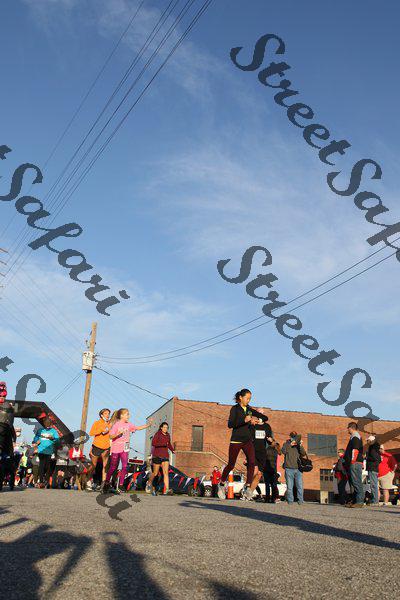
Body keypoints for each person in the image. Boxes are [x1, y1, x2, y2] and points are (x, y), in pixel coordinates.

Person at [217, 389, 265, 500]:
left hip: (247, 440)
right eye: (247, 398)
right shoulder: (235, 409)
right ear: (241, 398)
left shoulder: (249, 409)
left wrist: (257, 421)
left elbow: (263, 418)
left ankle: (248, 487)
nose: (248, 400)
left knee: (252, 462)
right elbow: (230, 424)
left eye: (250, 399)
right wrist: (244, 420)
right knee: (231, 465)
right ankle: (222, 483)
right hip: (236, 440)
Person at [103, 408, 151, 494]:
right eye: (127, 414)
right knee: (113, 467)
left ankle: (121, 485)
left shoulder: (129, 424)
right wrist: (118, 434)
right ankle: (106, 483)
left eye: (128, 414)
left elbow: (137, 428)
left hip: (125, 448)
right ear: (122, 415)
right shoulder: (117, 424)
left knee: (125, 466)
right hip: (116, 448)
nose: (129, 416)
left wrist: (148, 425)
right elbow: (110, 436)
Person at [247, 409, 272, 500]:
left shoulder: (267, 426)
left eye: (262, 413)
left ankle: (249, 492)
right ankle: (247, 487)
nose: (260, 415)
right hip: (253, 451)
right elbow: (248, 438)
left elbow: (269, 438)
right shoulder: (253, 425)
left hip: (262, 452)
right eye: (258, 413)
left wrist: (270, 440)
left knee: (259, 474)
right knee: (254, 472)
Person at [146, 422, 175, 496]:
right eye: (164, 427)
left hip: (165, 456)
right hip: (157, 456)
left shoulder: (168, 435)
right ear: (161, 428)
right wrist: (163, 444)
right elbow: (153, 443)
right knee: (155, 473)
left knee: (166, 473)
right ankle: (149, 483)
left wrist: (172, 450)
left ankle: (167, 489)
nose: (165, 429)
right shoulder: (158, 434)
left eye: (167, 427)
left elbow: (169, 444)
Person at [32, 418, 60, 488]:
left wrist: (52, 438)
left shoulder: (53, 431)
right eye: (46, 423)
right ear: (44, 424)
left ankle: (44, 477)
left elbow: (57, 440)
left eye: (48, 423)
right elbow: (36, 438)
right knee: (41, 465)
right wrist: (36, 442)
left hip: (49, 451)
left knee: (47, 466)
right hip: (41, 450)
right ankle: (41, 481)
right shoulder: (40, 430)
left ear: (50, 424)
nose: (47, 424)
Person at [88, 408, 111, 489]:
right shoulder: (97, 423)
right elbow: (91, 433)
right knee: (94, 465)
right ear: (101, 415)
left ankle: (103, 484)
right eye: (106, 413)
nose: (107, 415)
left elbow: (112, 434)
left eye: (108, 414)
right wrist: (101, 430)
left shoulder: (110, 424)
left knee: (105, 466)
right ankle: (88, 480)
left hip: (106, 447)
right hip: (97, 446)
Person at [281, 432, 306, 505]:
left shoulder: (298, 445)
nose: (293, 438)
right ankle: (290, 501)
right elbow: (283, 451)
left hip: (298, 469)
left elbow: (303, 454)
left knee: (300, 486)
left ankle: (300, 500)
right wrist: (290, 445)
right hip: (289, 468)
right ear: (290, 437)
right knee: (289, 486)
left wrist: (300, 445)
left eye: (295, 437)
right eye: (292, 437)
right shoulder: (286, 444)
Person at [343, 421, 364, 508]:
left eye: (348, 428)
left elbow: (355, 450)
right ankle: (355, 501)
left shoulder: (355, 437)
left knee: (356, 482)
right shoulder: (354, 437)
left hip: (355, 462)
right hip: (354, 462)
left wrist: (352, 461)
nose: (347, 430)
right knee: (354, 482)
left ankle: (359, 501)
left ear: (351, 428)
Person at [365, 435, 381, 506]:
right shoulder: (375, 447)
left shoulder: (373, 448)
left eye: (367, 440)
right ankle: (375, 500)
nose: (367, 441)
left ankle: (375, 501)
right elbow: (379, 459)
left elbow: (375, 458)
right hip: (374, 468)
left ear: (371, 441)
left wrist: (367, 457)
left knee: (373, 485)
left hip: (372, 468)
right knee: (374, 484)